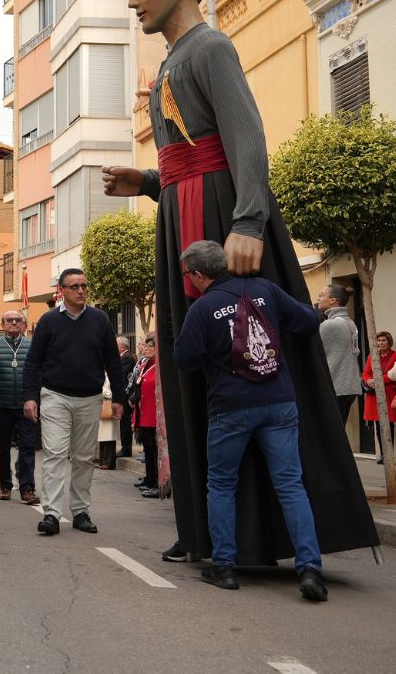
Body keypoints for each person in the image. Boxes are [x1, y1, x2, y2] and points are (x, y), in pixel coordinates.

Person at [102, 0, 377, 564]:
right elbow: (185, 160)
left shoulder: (211, 47)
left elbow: (246, 138)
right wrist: (146, 182)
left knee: (242, 370)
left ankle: (258, 532)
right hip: (182, 213)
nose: (133, 1)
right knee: (188, 373)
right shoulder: (172, 63)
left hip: (223, 218)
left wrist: (249, 222)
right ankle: (204, 529)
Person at [173, 240, 328, 601]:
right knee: (290, 485)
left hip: (230, 406)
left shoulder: (202, 308)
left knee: (222, 485)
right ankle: (310, 570)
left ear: (197, 274)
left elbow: (184, 359)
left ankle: (224, 567)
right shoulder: (264, 289)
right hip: (279, 401)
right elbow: (307, 321)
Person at [22, 268, 123, 537]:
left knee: (83, 458)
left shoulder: (100, 320)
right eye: (74, 286)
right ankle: (52, 514)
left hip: (90, 397)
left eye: (84, 285)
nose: (81, 290)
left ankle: (80, 511)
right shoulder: (48, 321)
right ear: (62, 291)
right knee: (55, 454)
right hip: (55, 396)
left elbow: (113, 361)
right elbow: (33, 361)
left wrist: (120, 398)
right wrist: (30, 396)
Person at [0, 311, 38, 503]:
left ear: (23, 324)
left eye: (18, 320)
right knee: (2, 446)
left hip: (26, 405)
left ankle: (27, 487)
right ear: (2, 324)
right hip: (1, 404)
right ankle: (4, 484)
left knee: (28, 447)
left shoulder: (32, 346)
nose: (14, 323)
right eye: (9, 320)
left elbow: (39, 372)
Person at [316, 284, 360, 426]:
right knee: (338, 433)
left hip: (337, 386)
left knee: (332, 435)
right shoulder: (349, 322)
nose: (318, 298)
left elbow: (313, 349)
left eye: (322, 295)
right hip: (349, 386)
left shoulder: (330, 325)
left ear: (333, 300)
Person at [363, 332, 396, 464]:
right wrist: (369, 381)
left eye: (383, 340)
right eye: (378, 340)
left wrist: (378, 380)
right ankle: (383, 454)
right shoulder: (372, 356)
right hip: (374, 395)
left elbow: (394, 375)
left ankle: (389, 454)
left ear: (389, 342)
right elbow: (365, 373)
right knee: (378, 425)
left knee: (389, 425)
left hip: (388, 393)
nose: (380, 343)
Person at [135, 338, 160, 498]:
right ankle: (150, 480)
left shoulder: (159, 366)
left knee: (154, 451)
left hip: (154, 416)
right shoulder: (147, 364)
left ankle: (156, 483)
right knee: (148, 450)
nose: (147, 348)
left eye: (150, 346)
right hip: (144, 414)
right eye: (146, 346)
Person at [117, 337, 136, 458]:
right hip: (123, 393)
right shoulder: (123, 357)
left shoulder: (127, 358)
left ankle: (126, 448)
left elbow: (120, 374)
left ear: (122, 346)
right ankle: (125, 447)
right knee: (123, 421)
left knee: (125, 421)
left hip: (125, 394)